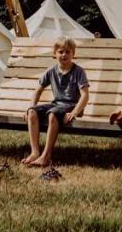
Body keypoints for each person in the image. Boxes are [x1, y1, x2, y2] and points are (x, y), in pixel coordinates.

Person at [23, 37, 90, 167]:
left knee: (52, 114)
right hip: (57, 104)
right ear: (55, 54)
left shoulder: (78, 71)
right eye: (61, 51)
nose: (64, 54)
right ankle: (35, 152)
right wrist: (31, 107)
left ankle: (46, 156)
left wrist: (75, 112)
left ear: (73, 54)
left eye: (68, 52)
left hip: (72, 106)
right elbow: (38, 90)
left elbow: (85, 95)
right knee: (31, 112)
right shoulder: (51, 71)